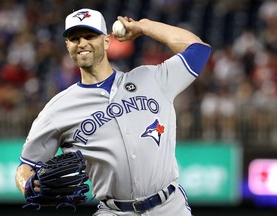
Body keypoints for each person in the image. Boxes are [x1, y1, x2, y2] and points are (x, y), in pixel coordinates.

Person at [15, 8, 211, 216]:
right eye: (74, 38)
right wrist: (27, 184)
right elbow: (26, 166)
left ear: (106, 41)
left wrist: (143, 26)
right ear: (68, 46)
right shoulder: (57, 109)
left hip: (170, 207)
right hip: (114, 211)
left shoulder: (152, 78)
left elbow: (198, 49)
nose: (82, 43)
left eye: (90, 36)